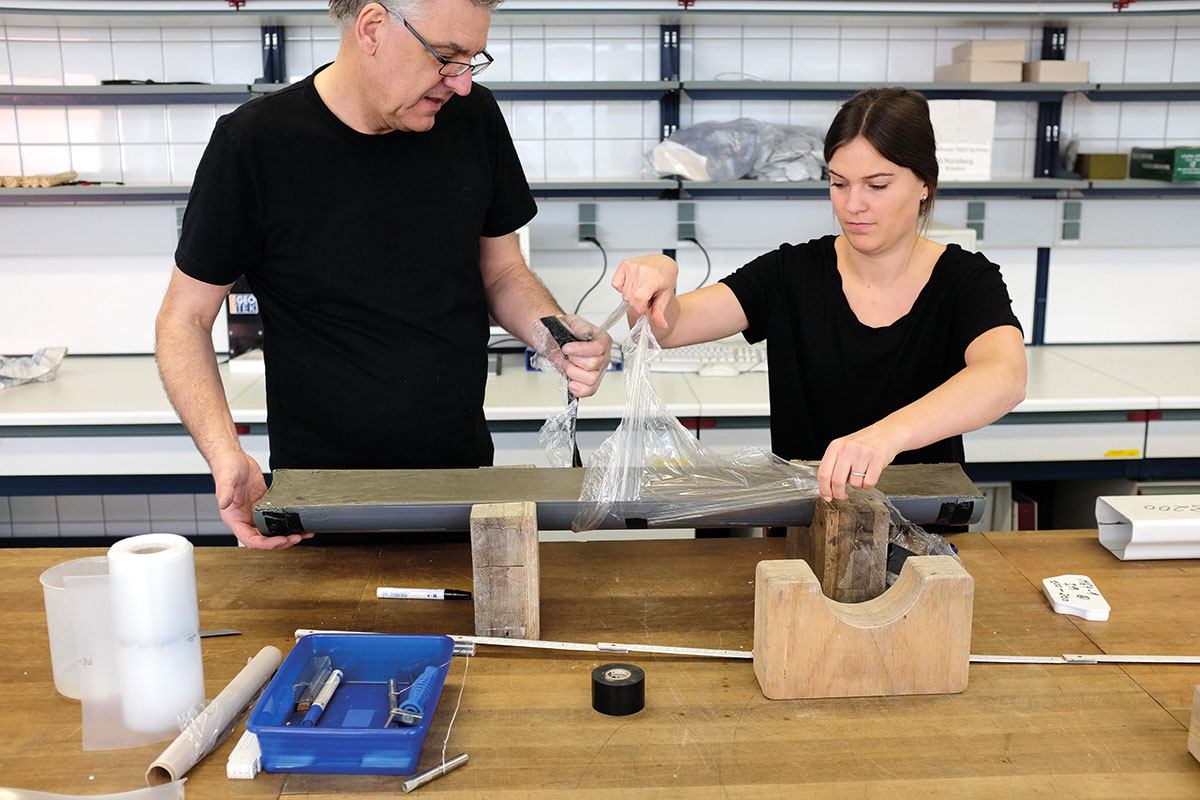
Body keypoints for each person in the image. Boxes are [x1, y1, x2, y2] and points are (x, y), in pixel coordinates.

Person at [155, 0, 612, 550]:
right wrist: (224, 452)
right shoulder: (254, 144)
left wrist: (553, 334)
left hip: (463, 487)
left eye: (472, 60)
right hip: (321, 504)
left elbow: (502, 272)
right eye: (446, 57)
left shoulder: (473, 118)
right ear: (373, 28)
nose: (461, 83)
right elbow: (183, 320)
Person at [613, 87, 1027, 505]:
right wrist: (659, 276)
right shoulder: (790, 273)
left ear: (924, 183)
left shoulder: (965, 279)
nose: (853, 205)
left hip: (925, 527)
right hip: (808, 526)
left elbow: (1005, 377)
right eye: (839, 183)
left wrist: (886, 436)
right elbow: (664, 329)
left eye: (877, 185)